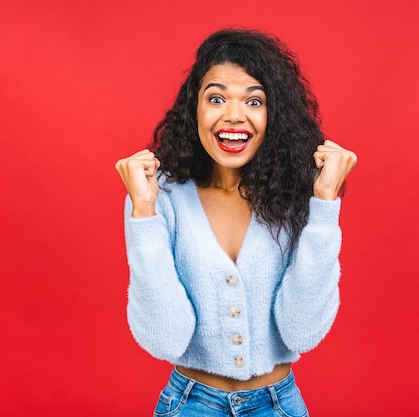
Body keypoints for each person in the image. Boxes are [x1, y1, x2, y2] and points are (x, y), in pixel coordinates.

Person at [115, 28, 357, 416]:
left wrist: (325, 206)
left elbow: (302, 330)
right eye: (216, 98)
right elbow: (165, 339)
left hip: (279, 404)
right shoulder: (158, 194)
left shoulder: (298, 194)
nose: (233, 115)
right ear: (194, 108)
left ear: (273, 116)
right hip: (189, 405)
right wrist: (143, 215)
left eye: (254, 101)